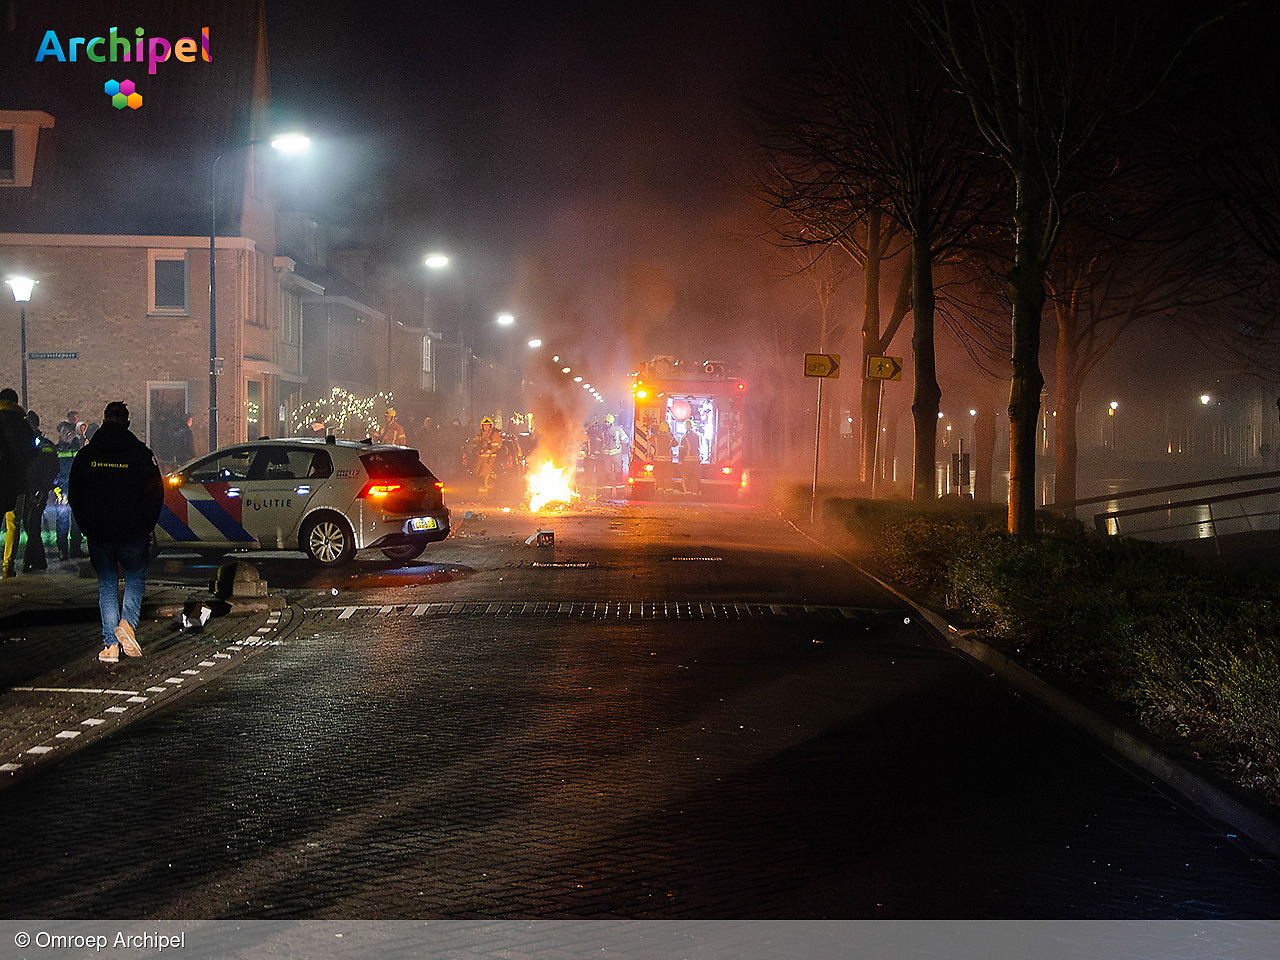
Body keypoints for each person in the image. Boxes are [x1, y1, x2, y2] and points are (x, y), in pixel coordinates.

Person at [69, 401, 163, 665]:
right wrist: (146, 525)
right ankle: (127, 625)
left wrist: (86, 525)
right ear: (128, 423)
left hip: (99, 531)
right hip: (133, 530)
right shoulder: (140, 454)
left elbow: (75, 493)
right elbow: (156, 492)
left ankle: (110, 646)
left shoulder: (87, 456)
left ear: (105, 419)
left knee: (107, 585)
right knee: (135, 577)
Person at [0, 388, 35, 578]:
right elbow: (32, 450)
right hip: (18, 482)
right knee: (13, 523)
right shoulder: (22, 423)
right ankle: (8, 566)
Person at [22, 411, 58, 573]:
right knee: (30, 525)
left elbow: (51, 468)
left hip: (37, 492)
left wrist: (42, 489)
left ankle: (31, 561)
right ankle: (38, 560)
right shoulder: (27, 442)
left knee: (32, 524)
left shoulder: (43, 445)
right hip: (27, 491)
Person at [53, 420, 85, 560]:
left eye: (70, 432)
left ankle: (75, 548)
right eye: (64, 432)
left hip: (77, 489)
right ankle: (62, 550)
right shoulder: (56, 450)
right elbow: (52, 471)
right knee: (62, 521)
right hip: (62, 491)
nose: (67, 435)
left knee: (77, 521)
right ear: (60, 434)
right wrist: (57, 489)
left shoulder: (79, 449)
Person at [468, 418, 503, 493]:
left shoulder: (494, 434)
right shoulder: (480, 435)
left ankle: (485, 493)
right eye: (485, 425)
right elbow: (476, 445)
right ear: (482, 426)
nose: (486, 427)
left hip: (490, 458)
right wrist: (477, 450)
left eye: (488, 425)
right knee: (478, 473)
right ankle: (483, 491)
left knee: (486, 474)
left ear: (490, 426)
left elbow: (496, 445)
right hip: (481, 458)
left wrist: (489, 450)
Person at [600, 413, 629, 497]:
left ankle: (620, 493)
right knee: (607, 473)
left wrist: (627, 445)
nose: (605, 424)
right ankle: (607, 493)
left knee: (618, 473)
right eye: (605, 422)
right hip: (606, 454)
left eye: (607, 422)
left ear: (611, 422)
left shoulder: (617, 429)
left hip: (615, 453)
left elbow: (625, 439)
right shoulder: (603, 430)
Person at [652, 417, 674, 498]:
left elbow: (651, 441)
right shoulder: (670, 437)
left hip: (658, 460)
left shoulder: (655, 437)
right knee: (668, 477)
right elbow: (675, 443)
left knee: (659, 477)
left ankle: (659, 493)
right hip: (668, 460)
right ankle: (669, 494)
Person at [678, 423, 702, 496]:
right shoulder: (697, 435)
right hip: (696, 459)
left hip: (687, 460)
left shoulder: (684, 437)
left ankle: (688, 492)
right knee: (695, 476)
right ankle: (694, 492)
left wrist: (680, 461)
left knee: (686, 477)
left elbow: (682, 450)